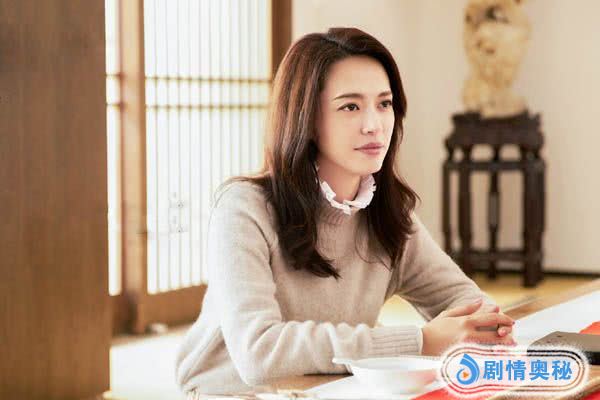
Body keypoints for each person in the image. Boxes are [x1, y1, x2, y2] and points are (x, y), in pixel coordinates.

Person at [175, 27, 515, 396]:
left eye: (384, 104)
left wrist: (483, 327)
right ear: (307, 119)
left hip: (331, 389)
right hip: (230, 392)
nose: (374, 125)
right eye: (350, 106)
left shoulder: (386, 212)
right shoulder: (244, 208)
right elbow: (259, 353)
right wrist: (420, 341)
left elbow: (471, 304)